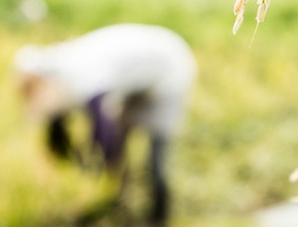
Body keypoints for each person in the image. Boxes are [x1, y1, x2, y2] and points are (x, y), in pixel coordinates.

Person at [14, 24, 197, 224]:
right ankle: (120, 195)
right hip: (138, 77)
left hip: (169, 71)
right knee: (122, 135)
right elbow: (61, 121)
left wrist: (97, 166)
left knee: (156, 152)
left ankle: (159, 214)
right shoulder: (60, 65)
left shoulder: (85, 78)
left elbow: (104, 132)